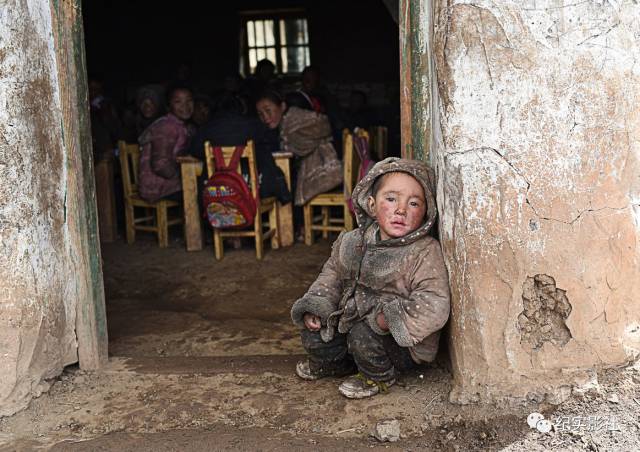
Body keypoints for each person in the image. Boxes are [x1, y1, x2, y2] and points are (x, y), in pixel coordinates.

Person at [290, 158, 450, 399]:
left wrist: (390, 319)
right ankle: (336, 366)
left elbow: (435, 302)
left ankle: (377, 377)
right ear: (372, 205)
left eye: (414, 203)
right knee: (314, 333)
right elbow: (331, 276)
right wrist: (317, 306)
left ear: (427, 212)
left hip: (399, 343)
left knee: (363, 336)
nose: (401, 210)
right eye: (391, 199)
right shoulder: (352, 242)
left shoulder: (424, 251)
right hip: (352, 323)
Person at [189, 94, 291, 204]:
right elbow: (272, 148)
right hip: (252, 191)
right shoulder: (254, 125)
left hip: (217, 193)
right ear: (242, 109)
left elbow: (194, 151)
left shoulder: (205, 129)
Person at [256, 91, 342, 207]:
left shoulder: (295, 119)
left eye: (268, 110)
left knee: (282, 187)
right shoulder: (281, 126)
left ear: (282, 106)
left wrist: (289, 142)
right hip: (325, 172)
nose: (265, 117)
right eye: (260, 114)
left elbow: (323, 125)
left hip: (325, 173)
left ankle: (293, 223)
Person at [138, 84, 194, 203]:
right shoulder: (167, 127)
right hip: (156, 187)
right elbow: (160, 164)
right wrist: (183, 178)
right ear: (168, 106)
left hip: (168, 183)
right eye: (178, 102)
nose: (185, 106)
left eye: (189, 101)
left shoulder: (180, 125)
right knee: (203, 191)